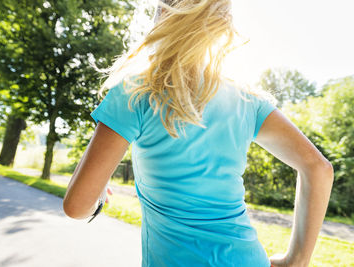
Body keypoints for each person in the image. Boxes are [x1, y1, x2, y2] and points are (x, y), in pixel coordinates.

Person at [63, 1, 334, 266]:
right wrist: (296, 260)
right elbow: (318, 168)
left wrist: (96, 199)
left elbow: (76, 206)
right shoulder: (247, 100)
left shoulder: (136, 92)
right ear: (223, 24)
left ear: (163, 13)